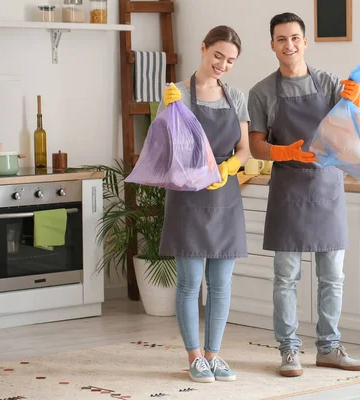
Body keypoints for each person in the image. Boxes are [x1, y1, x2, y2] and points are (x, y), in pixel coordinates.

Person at [247, 12, 360, 377]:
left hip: (327, 188)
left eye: (294, 38)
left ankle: (329, 347)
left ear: (305, 42)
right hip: (288, 190)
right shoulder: (261, 92)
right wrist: (284, 152)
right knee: (286, 277)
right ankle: (289, 351)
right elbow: (256, 145)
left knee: (332, 276)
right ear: (272, 45)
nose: (288, 45)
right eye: (281, 39)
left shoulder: (330, 84)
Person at [158, 25, 250, 383]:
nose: (222, 65)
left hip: (224, 196)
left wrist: (229, 166)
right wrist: (166, 114)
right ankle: (194, 356)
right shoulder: (177, 92)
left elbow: (243, 149)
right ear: (203, 48)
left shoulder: (235, 96)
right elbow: (163, 148)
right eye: (217, 56)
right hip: (188, 196)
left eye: (230, 61)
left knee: (222, 283)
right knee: (189, 282)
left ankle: (214, 355)